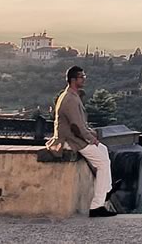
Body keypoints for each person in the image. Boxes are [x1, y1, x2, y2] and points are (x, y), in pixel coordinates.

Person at [48, 65, 116, 217]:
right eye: (81, 77)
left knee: (104, 150)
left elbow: (80, 124)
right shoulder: (70, 99)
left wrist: (91, 135)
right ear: (73, 80)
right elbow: (76, 126)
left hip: (75, 137)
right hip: (70, 140)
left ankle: (106, 189)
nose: (84, 79)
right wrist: (92, 139)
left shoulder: (72, 96)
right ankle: (97, 206)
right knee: (103, 163)